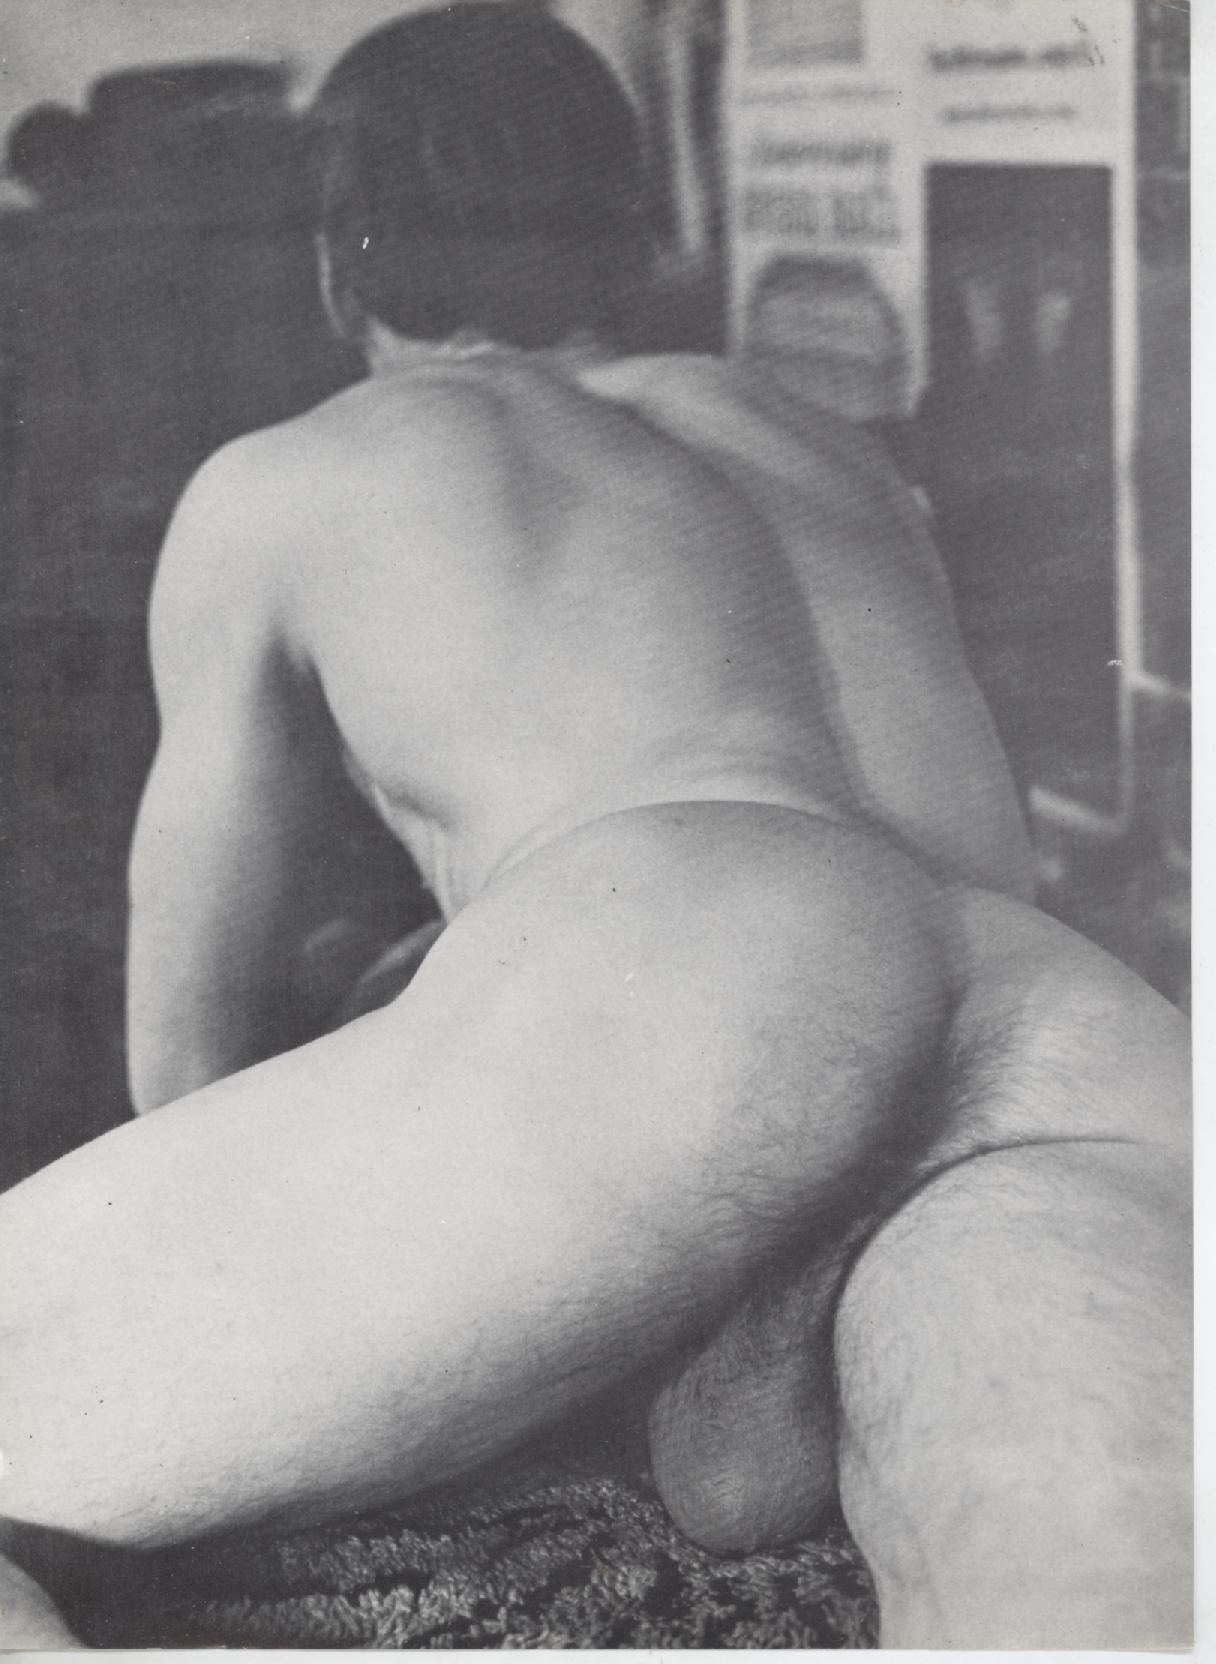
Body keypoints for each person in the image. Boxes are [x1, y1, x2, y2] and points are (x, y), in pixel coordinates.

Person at [0, 6, 1189, 1648]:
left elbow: (184, 1052)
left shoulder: (287, 478)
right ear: (634, 242)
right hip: (1055, 1013)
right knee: (1101, 1608)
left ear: (342, 265)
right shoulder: (826, 447)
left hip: (691, 1004)